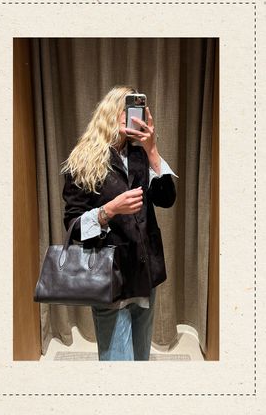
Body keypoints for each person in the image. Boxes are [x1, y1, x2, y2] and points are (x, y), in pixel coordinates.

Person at [60, 85, 178, 361]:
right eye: (127, 112)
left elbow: (167, 198)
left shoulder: (139, 156)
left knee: (140, 359)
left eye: (137, 113)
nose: (133, 119)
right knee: (116, 363)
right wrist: (108, 211)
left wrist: (152, 150)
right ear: (112, 114)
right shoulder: (82, 161)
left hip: (145, 273)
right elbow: (73, 225)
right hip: (110, 276)